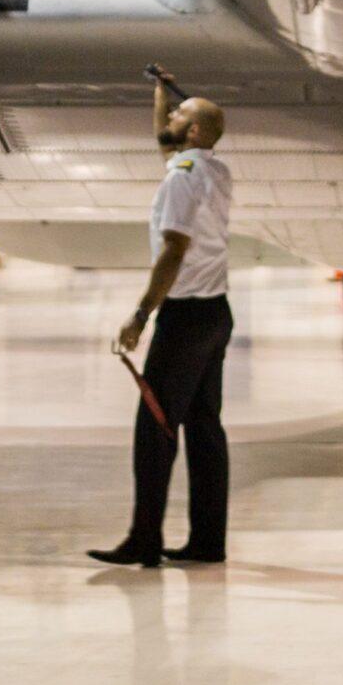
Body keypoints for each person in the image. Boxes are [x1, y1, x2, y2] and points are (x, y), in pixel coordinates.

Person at [88, 74, 234, 570]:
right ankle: (208, 541)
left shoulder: (180, 178)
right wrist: (161, 97)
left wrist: (141, 313)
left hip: (186, 318)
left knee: (154, 429)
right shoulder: (212, 170)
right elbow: (166, 146)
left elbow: (174, 250)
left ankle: (144, 539)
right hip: (217, 314)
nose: (168, 123)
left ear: (192, 133)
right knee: (204, 428)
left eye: (176, 117)